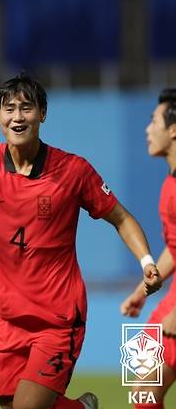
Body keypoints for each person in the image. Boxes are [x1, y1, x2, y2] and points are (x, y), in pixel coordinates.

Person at [0, 73, 163, 409]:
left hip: (58, 319)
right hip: (10, 320)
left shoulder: (73, 170)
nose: (17, 116)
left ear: (42, 114)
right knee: (12, 405)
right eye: (8, 109)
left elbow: (122, 217)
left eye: (26, 108)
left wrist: (146, 262)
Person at [121, 88, 176, 409]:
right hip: (168, 300)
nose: (147, 129)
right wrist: (142, 290)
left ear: (173, 129)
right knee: (141, 391)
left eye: (153, 120)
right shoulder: (170, 181)